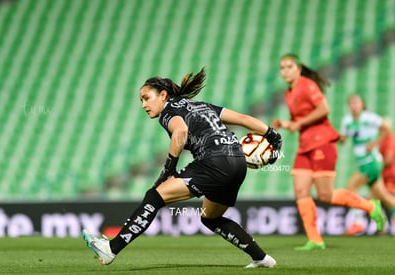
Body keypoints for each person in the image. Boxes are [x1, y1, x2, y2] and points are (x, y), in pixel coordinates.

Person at [82, 68, 282, 268]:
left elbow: (181, 131)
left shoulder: (168, 112)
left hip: (213, 161)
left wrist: (169, 169)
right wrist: (273, 135)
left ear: (163, 95)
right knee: (210, 218)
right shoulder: (202, 105)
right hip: (238, 162)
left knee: (154, 197)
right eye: (141, 101)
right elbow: (245, 119)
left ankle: (111, 249)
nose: (144, 105)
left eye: (146, 98)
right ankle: (262, 258)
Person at [271, 53, 386, 251]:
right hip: (305, 145)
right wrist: (285, 123)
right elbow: (300, 121)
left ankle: (371, 206)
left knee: (326, 195)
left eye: (289, 66)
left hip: (322, 142)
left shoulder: (307, 85)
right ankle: (315, 239)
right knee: (300, 191)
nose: (285, 71)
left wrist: (298, 122)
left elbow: (324, 109)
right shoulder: (289, 93)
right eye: (282, 67)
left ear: (298, 69)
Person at [340, 95, 395, 235]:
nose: (354, 105)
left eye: (356, 102)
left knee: (350, 189)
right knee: (382, 195)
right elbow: (343, 139)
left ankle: (358, 222)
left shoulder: (368, 117)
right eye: (351, 103)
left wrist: (375, 143)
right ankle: (382, 220)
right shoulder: (347, 121)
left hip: (371, 161)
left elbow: (387, 128)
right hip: (362, 162)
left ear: (362, 104)